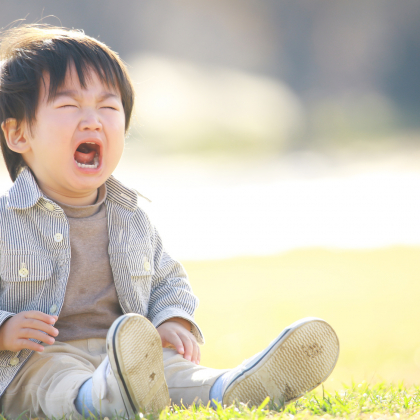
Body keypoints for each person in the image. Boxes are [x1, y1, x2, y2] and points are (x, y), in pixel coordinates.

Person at [0, 24, 340, 419]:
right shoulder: (6, 222)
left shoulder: (131, 218)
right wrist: (5, 330)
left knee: (173, 371)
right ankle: (98, 401)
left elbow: (167, 279)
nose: (92, 120)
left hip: (127, 357)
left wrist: (172, 319)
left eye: (109, 108)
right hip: (35, 360)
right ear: (18, 134)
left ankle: (228, 388)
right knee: (54, 379)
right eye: (68, 106)